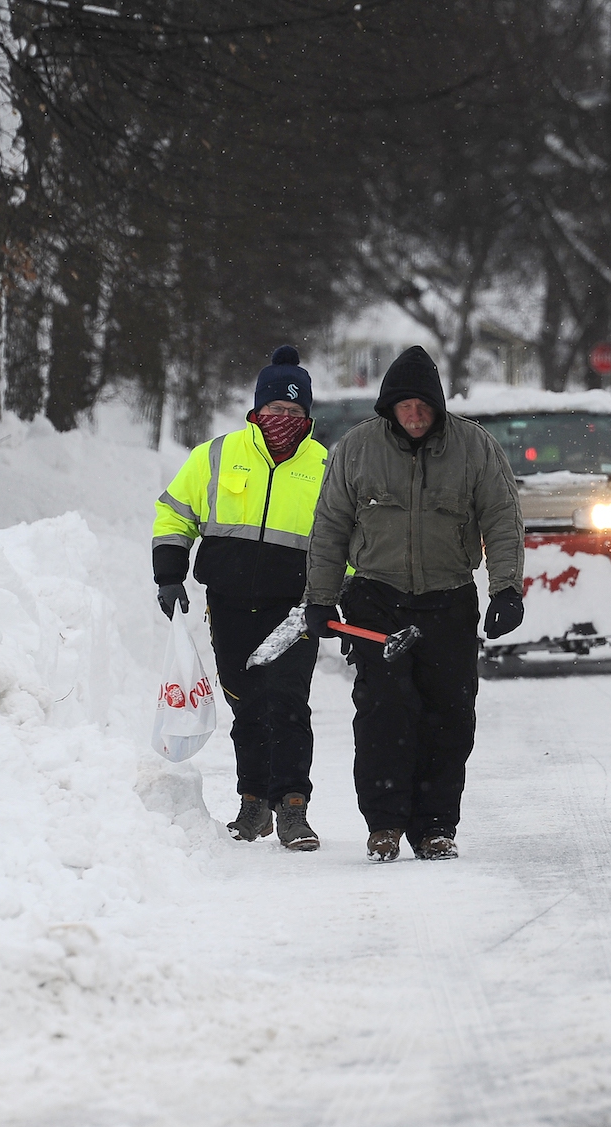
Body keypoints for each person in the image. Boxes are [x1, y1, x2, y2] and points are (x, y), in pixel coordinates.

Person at [302, 345, 525, 862]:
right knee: (384, 711)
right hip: (376, 600)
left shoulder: (475, 448)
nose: (415, 414)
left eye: (424, 405)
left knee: (449, 714)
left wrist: (506, 588)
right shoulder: (356, 450)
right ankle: (384, 823)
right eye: (405, 405)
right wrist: (320, 598)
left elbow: (502, 518)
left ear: (438, 406)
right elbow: (330, 527)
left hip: (449, 600)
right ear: (389, 407)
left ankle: (436, 827)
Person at [153, 347, 328, 849]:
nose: (284, 420)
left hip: (295, 610)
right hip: (228, 605)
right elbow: (174, 514)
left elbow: (348, 538)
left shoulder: (326, 466)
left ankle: (293, 806)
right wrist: (169, 573)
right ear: (257, 410)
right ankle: (253, 803)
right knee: (247, 706)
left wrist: (333, 594)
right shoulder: (216, 454)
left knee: (288, 703)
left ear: (307, 416)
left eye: (295, 413)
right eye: (275, 410)